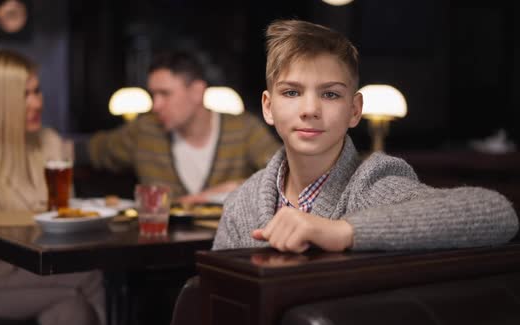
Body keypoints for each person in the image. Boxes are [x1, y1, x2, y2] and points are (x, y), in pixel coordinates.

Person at [212, 19, 519, 252]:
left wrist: (344, 231)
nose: (310, 109)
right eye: (292, 92)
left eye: (330, 95)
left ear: (354, 110)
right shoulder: (242, 203)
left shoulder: (370, 185)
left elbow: (497, 213)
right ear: (268, 107)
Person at [0, 49, 105, 325]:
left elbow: (66, 214)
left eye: (37, 91)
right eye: (24, 94)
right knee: (93, 274)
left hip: (45, 269)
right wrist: (49, 221)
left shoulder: (49, 141)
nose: (37, 102)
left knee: (73, 312)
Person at [78, 50, 281, 203]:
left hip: (228, 250)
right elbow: (90, 149)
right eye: (153, 95)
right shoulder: (145, 131)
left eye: (165, 94)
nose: (155, 105)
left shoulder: (243, 129)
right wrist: (47, 142)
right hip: (163, 251)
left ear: (197, 92)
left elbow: (284, 172)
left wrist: (229, 189)